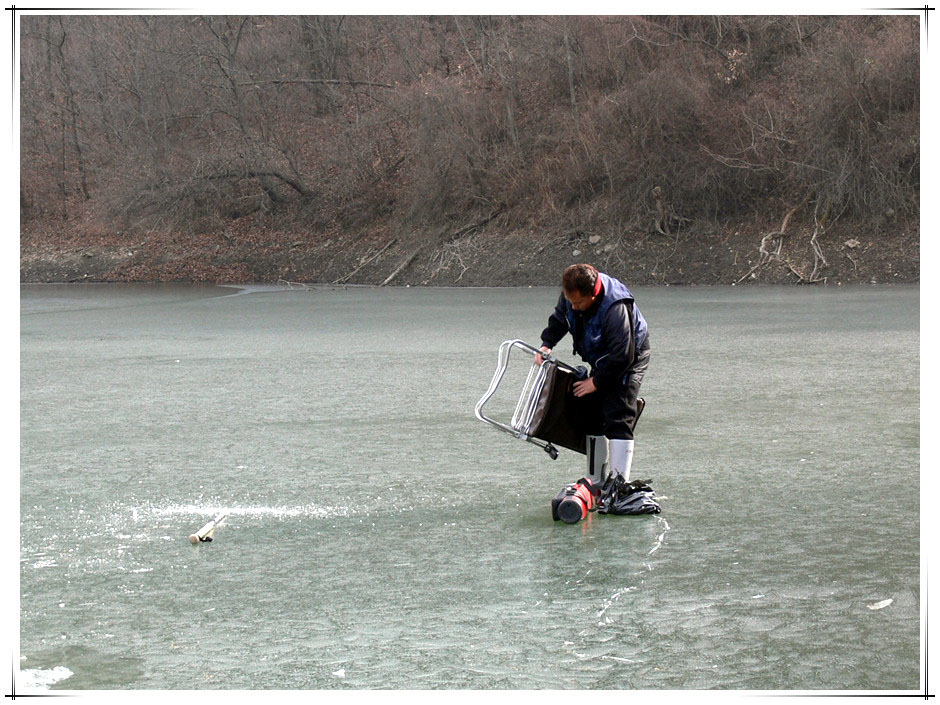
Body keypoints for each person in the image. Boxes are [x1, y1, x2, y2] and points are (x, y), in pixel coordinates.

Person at [538, 264, 650, 484]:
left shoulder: (615, 307)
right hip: (603, 357)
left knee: (618, 414)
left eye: (579, 303)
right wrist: (547, 343)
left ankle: (619, 484)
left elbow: (623, 356)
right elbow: (561, 318)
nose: (574, 306)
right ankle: (595, 480)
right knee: (592, 413)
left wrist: (596, 382)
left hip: (629, 357)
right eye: (570, 301)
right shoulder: (572, 294)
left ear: (593, 294)